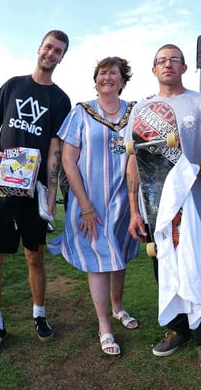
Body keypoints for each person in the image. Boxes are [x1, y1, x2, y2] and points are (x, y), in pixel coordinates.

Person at [126, 44, 201, 377]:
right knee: (164, 270)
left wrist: (189, 174)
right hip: (154, 210)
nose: (168, 64)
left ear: (183, 67)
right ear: (153, 70)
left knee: (199, 269)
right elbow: (134, 161)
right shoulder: (141, 109)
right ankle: (180, 329)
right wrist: (135, 210)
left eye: (174, 60)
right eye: (161, 60)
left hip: (194, 207)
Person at [0, 30, 71, 355]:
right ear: (39, 48)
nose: (51, 53)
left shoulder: (60, 100)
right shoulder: (13, 85)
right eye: (48, 46)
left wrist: (50, 192)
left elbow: (54, 148)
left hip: (34, 192)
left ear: (62, 57)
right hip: (1, 188)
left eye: (58, 51)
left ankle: (39, 315)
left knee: (35, 256)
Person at [58, 56, 139, 356]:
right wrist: (85, 206)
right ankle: (104, 325)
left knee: (119, 256)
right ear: (96, 80)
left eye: (113, 73)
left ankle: (118, 308)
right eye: (102, 73)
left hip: (123, 199)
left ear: (122, 79)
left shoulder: (134, 112)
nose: (107, 77)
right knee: (99, 261)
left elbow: (136, 153)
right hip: (90, 202)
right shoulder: (81, 112)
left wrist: (135, 204)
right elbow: (68, 159)